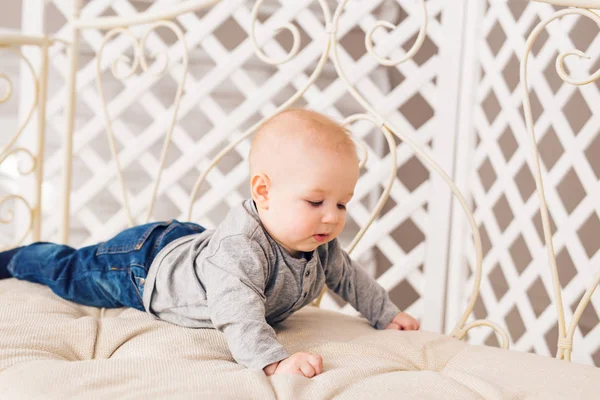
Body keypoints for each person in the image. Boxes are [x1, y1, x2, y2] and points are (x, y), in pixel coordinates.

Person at [0, 108, 419, 378]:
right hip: (143, 267)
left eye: (343, 203)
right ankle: (18, 258)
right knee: (70, 271)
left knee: (211, 256)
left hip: (193, 245)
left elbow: (350, 278)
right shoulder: (240, 251)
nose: (332, 216)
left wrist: (385, 313)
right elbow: (237, 313)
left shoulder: (318, 241)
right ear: (264, 191)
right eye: (316, 201)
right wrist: (273, 361)